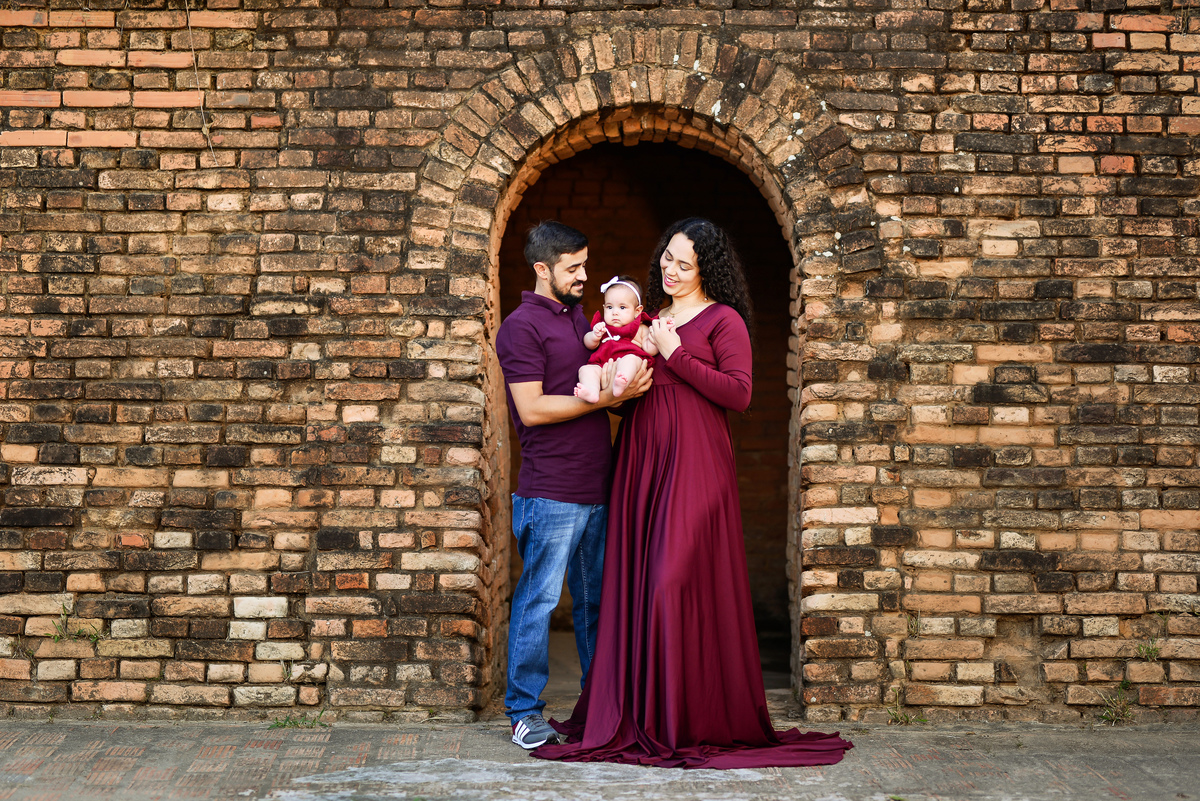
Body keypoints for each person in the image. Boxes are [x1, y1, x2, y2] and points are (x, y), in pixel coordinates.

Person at [534, 218, 854, 768]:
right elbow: (636, 384)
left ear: (707, 268)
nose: (672, 270)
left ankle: (684, 718)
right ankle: (642, 713)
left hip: (696, 462)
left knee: (670, 580)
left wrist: (675, 352)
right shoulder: (649, 315)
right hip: (642, 458)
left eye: (685, 264)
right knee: (636, 581)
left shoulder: (722, 319)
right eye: (668, 258)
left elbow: (739, 393)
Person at [495, 221, 652, 750]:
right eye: (573, 268)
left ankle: (597, 708)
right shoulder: (521, 327)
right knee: (538, 603)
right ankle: (523, 713)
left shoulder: (579, 319)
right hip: (550, 490)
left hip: (597, 486)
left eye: (585, 264)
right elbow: (533, 409)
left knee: (595, 605)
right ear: (543, 269)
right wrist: (606, 400)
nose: (585, 275)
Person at [574, 276, 657, 404]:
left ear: (637, 311)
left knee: (631, 359)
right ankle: (591, 391)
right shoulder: (603, 327)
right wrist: (594, 335)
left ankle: (621, 382)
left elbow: (650, 350)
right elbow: (588, 344)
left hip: (628, 361)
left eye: (622, 307)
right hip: (603, 365)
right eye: (609, 307)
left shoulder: (640, 328)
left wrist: (656, 335)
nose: (615, 313)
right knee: (586, 370)